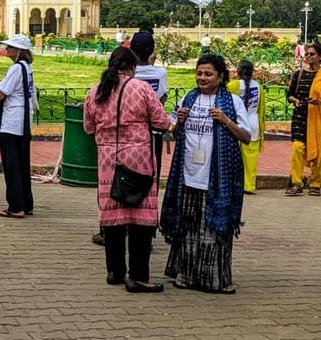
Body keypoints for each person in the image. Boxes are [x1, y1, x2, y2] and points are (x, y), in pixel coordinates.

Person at [160, 54, 251, 294]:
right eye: (199, 73)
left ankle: (217, 279)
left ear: (220, 77)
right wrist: (178, 122)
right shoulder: (189, 97)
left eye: (208, 74)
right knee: (188, 228)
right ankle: (186, 275)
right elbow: (172, 134)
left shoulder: (232, 102)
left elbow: (247, 137)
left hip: (218, 178)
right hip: (188, 175)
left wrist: (226, 120)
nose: (202, 78)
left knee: (215, 229)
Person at [84, 47, 171, 292]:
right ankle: (138, 276)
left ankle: (114, 271)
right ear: (132, 67)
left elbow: (89, 127)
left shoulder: (95, 91)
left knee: (112, 216)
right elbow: (161, 121)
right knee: (140, 219)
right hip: (138, 158)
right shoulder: (140, 88)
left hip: (107, 160)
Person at [0, 34, 36, 219]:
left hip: (12, 122)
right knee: (22, 164)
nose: (7, 50)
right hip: (24, 121)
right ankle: (26, 203)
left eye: (11, 47)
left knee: (11, 166)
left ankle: (15, 206)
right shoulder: (27, 68)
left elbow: (1, 93)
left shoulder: (15, 69)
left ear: (19, 51)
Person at [286, 42, 321, 196]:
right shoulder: (298, 74)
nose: (308, 57)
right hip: (300, 117)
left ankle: (315, 184)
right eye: (307, 54)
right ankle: (296, 183)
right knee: (297, 149)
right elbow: (290, 95)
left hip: (318, 119)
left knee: (319, 152)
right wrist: (295, 100)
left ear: (320, 57)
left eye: (312, 54)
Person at [227, 60, 265, 195]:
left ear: (238, 71)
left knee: (233, 158)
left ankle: (233, 185)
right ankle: (249, 186)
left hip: (237, 125)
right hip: (253, 124)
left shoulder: (233, 85)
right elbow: (261, 109)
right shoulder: (259, 87)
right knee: (251, 159)